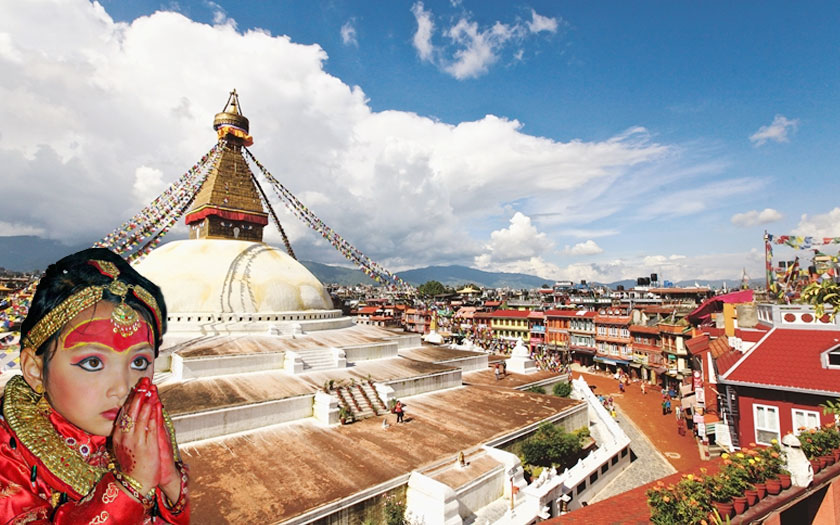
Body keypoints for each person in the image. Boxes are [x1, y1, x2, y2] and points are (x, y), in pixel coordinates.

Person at [0, 248, 189, 524]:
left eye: (139, 362)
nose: (122, 389)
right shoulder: (9, 457)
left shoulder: (144, 438)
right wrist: (131, 487)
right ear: (35, 369)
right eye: (92, 363)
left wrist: (169, 479)